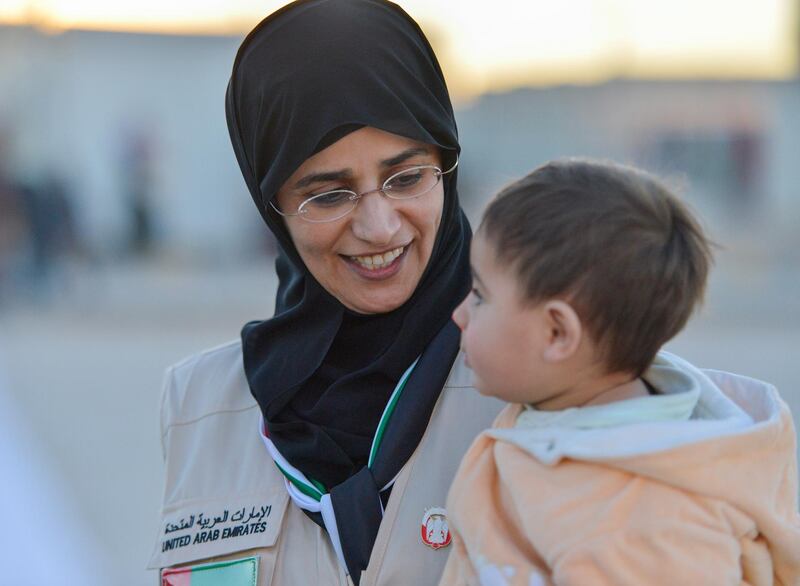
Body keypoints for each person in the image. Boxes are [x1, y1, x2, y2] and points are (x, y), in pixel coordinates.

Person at [148, 1, 503, 584]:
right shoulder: (201, 405)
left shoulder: (543, 381)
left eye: (407, 177)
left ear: (447, 164)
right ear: (272, 209)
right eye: (328, 195)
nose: (379, 227)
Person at [441, 159, 800, 585]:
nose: (459, 313)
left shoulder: (644, 523)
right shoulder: (559, 404)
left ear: (557, 333)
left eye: (480, 296)